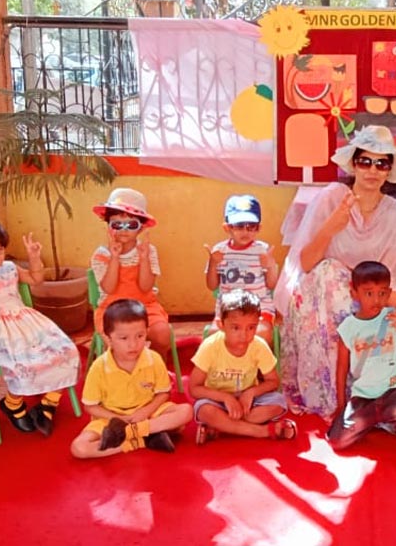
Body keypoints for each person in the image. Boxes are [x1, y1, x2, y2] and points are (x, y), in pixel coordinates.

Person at [274, 124, 396, 427]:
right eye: (365, 161)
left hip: (367, 298)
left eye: (382, 163)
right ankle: (337, 393)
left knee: (370, 304)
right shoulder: (332, 198)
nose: (372, 170)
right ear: (353, 164)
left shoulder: (395, 214)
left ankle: (369, 392)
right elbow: (307, 262)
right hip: (321, 299)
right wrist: (331, 227)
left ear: (389, 170)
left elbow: (390, 279)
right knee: (330, 272)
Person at [0, 217, 80, 437]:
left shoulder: (10, 268)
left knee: (66, 350)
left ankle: (49, 402)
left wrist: (34, 257)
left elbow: (36, 279)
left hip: (27, 323)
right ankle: (13, 403)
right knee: (22, 361)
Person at [70, 299, 193, 458]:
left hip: (148, 414)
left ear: (147, 332)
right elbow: (90, 406)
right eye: (124, 338)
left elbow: (163, 394)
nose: (133, 344)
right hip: (111, 420)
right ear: (108, 338)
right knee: (79, 448)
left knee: (186, 411)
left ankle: (131, 433)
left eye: (140, 336)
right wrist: (117, 418)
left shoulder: (154, 359)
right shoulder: (99, 367)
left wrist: (144, 412)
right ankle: (141, 441)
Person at [327, 261, 396, 450]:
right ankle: (374, 417)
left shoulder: (392, 318)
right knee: (337, 441)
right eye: (369, 293)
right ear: (354, 293)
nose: (376, 300)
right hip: (363, 397)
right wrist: (341, 406)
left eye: (382, 293)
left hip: (395, 390)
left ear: (389, 293)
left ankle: (385, 415)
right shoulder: (348, 328)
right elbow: (342, 369)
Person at [189, 289, 296, 443]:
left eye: (251, 328)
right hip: (218, 401)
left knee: (278, 402)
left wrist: (250, 393)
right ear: (221, 325)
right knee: (203, 410)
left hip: (249, 403)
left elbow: (273, 381)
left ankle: (222, 426)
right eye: (236, 328)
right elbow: (194, 388)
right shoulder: (210, 346)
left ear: (258, 324)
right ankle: (262, 431)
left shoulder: (259, 346)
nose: (244, 335)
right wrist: (225, 397)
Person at [91, 188, 172, 362]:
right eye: (117, 224)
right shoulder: (101, 254)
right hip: (112, 310)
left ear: (141, 228)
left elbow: (145, 287)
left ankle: (158, 369)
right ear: (108, 226)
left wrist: (144, 259)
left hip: (145, 306)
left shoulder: (148, 251)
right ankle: (119, 372)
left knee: (162, 334)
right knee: (115, 343)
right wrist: (114, 258)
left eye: (131, 224)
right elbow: (109, 288)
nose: (124, 229)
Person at [205, 194, 279, 348]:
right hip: (228, 311)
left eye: (251, 226)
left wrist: (270, 265)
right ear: (227, 227)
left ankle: (259, 363)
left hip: (258, 309)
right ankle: (227, 364)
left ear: (259, 228)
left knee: (262, 334)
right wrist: (213, 264)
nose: (246, 231)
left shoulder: (262, 250)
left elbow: (272, 285)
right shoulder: (220, 251)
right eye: (239, 226)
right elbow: (212, 286)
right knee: (214, 336)